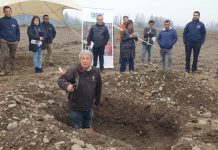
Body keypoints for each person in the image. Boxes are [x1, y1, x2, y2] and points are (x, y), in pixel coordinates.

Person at [57, 50, 102, 129]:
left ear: (91, 60)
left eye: (87, 59)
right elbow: (61, 80)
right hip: (76, 108)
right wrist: (67, 86)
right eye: (83, 59)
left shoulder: (95, 72)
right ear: (80, 60)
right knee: (78, 131)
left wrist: (97, 102)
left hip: (89, 108)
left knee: (87, 129)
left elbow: (98, 87)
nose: (85, 61)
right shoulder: (74, 70)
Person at [0, 6, 20, 76]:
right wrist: (1, 39)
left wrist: (18, 39)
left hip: (14, 41)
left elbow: (17, 31)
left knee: (13, 56)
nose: (8, 12)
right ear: (4, 12)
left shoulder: (14, 20)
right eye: (6, 11)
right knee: (4, 55)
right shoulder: (1, 20)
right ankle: (2, 70)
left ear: (11, 12)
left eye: (9, 11)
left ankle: (12, 69)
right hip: (4, 40)